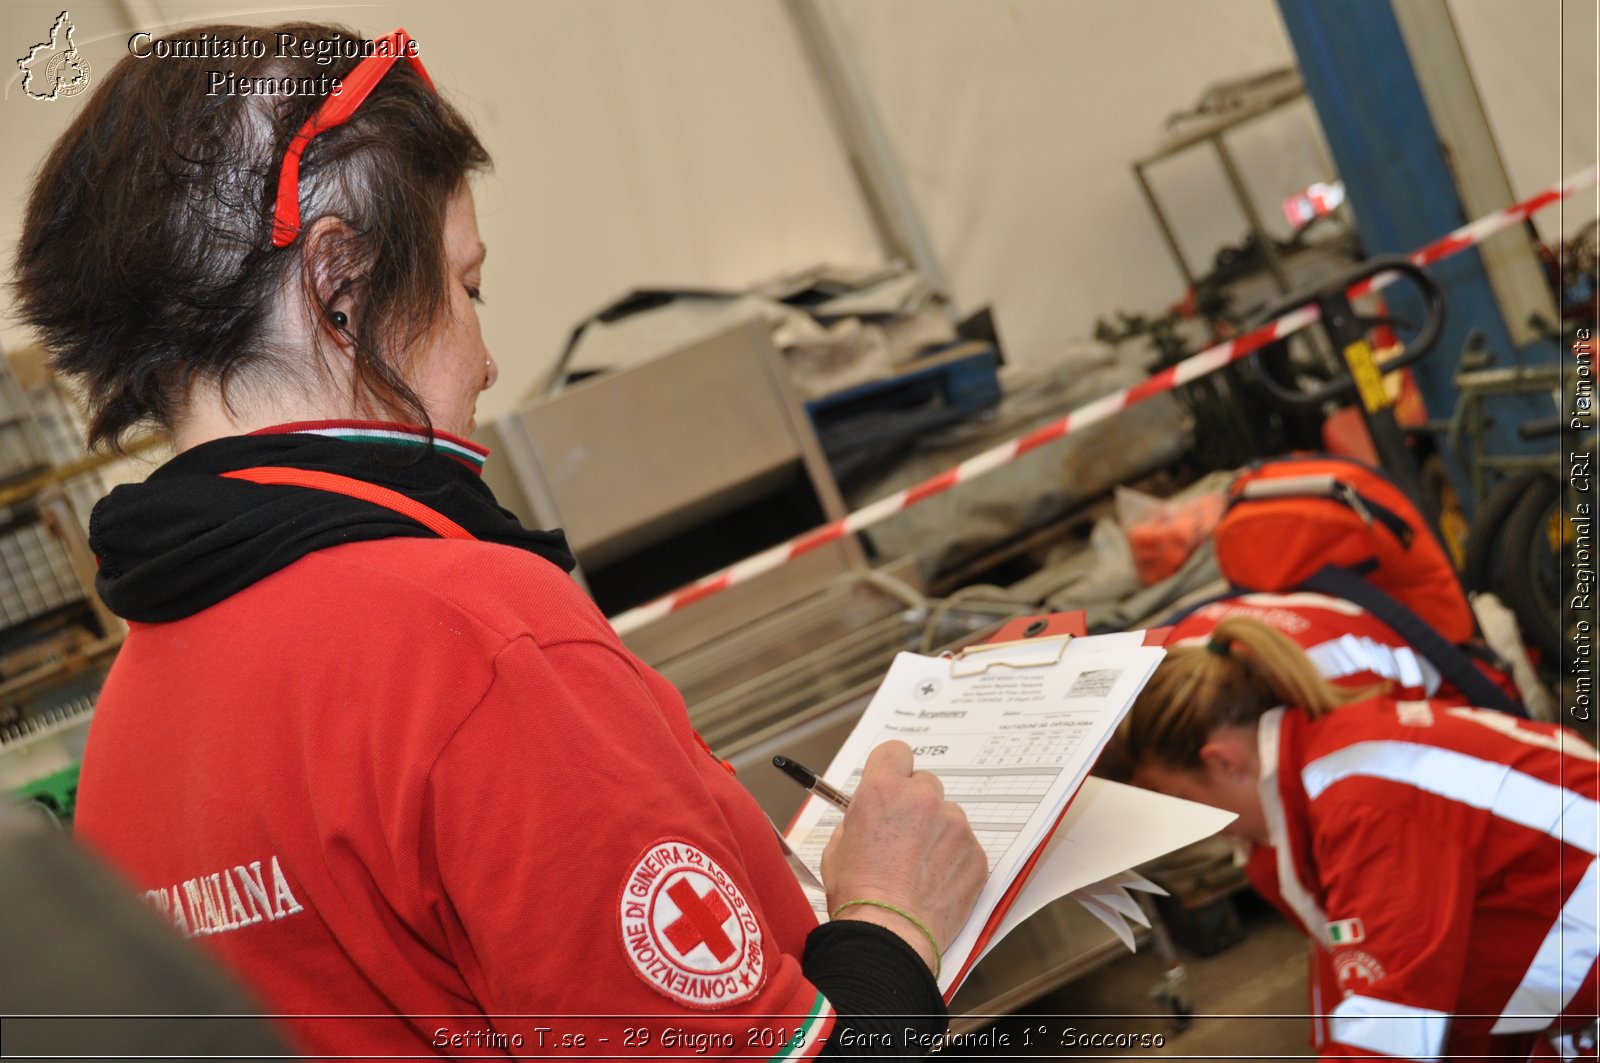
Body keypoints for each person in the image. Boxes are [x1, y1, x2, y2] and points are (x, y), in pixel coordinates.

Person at [13, 23, 987, 1058]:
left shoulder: (130, 721)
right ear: (338, 286)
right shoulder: (474, 638)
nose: (485, 359)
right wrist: (892, 912)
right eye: (468, 288)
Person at [1120, 616, 1598, 1061]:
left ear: (1224, 763)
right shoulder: (1327, 754)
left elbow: (1391, 1032)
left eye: (1180, 799)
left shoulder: (1359, 807)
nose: (1194, 825)